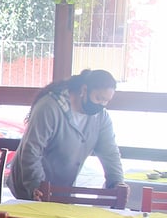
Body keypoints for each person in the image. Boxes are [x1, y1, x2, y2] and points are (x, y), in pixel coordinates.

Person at [9, 69, 124, 201]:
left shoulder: (101, 117)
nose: (102, 105)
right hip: (29, 184)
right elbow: (31, 150)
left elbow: (110, 152)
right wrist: (36, 185)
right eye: (98, 98)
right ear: (84, 90)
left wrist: (117, 183)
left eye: (106, 101)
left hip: (62, 189)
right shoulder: (49, 107)